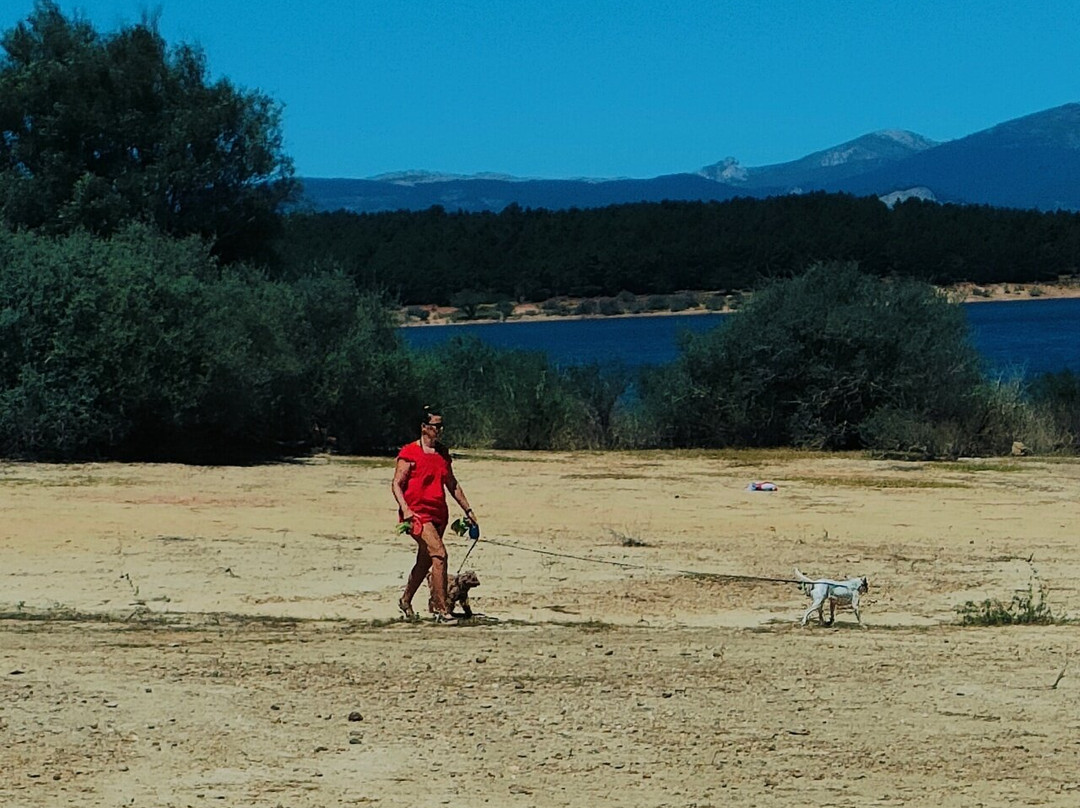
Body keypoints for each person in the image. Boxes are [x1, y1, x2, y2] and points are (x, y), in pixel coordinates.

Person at [391, 407, 478, 624]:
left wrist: (468, 510)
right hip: (417, 516)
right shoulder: (410, 453)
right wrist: (406, 509)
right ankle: (442, 610)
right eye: (435, 425)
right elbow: (396, 484)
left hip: (439, 514)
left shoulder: (442, 453)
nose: (439, 429)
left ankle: (405, 600)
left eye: (441, 425)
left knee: (425, 562)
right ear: (424, 427)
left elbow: (452, 484)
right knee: (440, 554)